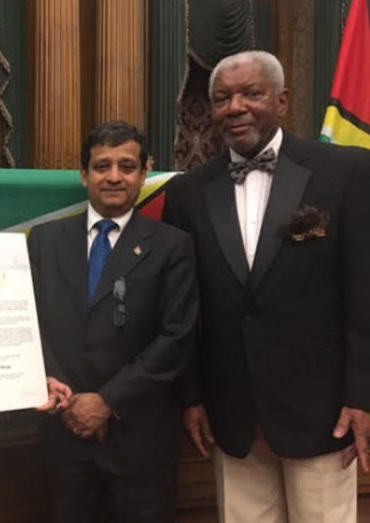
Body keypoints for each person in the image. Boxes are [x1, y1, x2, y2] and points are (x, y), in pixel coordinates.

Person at [163, 50, 370, 522]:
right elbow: (184, 306)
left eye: (251, 93)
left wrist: (363, 395)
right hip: (229, 412)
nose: (235, 107)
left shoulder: (347, 172)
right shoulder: (188, 192)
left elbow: (364, 292)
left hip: (323, 411)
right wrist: (192, 395)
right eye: (222, 98)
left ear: (282, 99)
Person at [29, 121, 198, 522]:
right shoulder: (45, 240)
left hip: (139, 436)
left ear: (144, 173)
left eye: (127, 166)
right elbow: (27, 324)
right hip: (62, 430)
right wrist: (67, 399)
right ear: (83, 175)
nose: (114, 177)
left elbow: (177, 336)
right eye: (102, 166)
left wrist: (107, 401)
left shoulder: (173, 246)